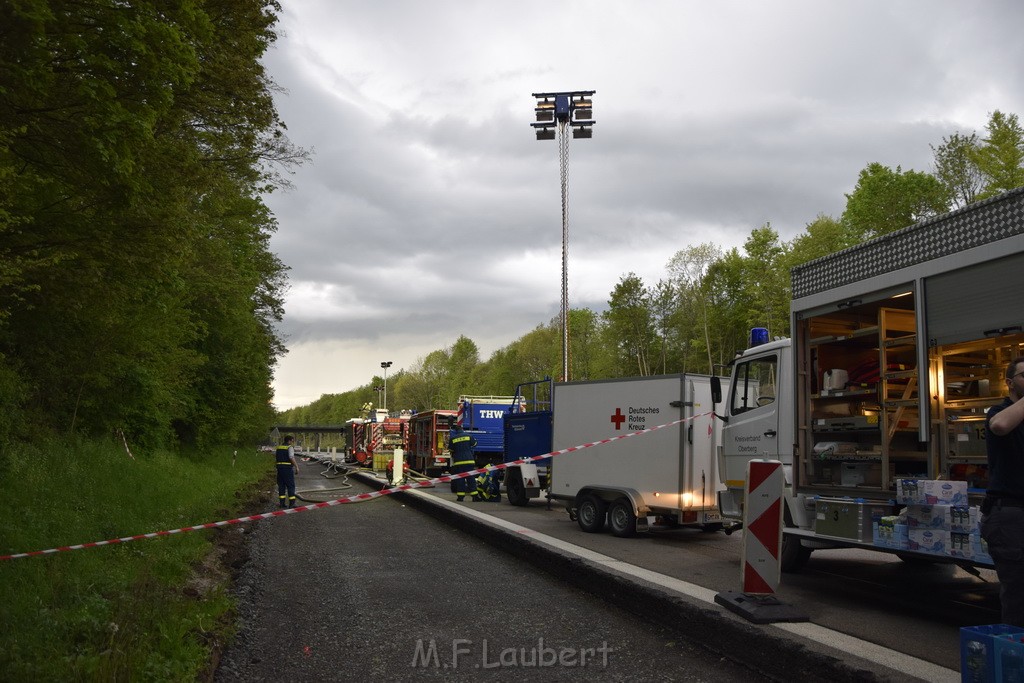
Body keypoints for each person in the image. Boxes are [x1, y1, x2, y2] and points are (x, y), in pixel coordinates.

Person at [981, 356, 1024, 626]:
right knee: (1019, 593)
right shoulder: (999, 411)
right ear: (1010, 382)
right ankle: (1016, 659)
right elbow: (1000, 426)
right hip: (1010, 514)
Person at [449, 423, 478, 502]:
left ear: (455, 431)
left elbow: (451, 450)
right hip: (469, 461)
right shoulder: (468, 436)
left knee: (460, 479)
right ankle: (475, 496)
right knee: (471, 479)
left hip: (458, 462)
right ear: (462, 429)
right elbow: (474, 444)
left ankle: (460, 497)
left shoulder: (453, 438)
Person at [275, 435, 300, 508]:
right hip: (287, 468)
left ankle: (282, 503)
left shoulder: (279, 447)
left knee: (281, 486)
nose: (292, 442)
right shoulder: (290, 447)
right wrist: (296, 467)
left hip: (279, 468)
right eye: (292, 441)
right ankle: (292, 504)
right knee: (290, 485)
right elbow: (291, 457)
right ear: (289, 440)